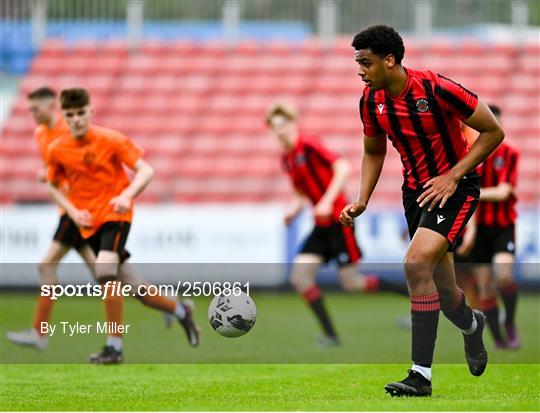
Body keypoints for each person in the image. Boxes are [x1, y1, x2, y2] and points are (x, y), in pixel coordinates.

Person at [339, 25, 505, 396]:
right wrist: (363, 199)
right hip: (416, 194)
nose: (360, 71)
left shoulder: (435, 88)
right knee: (446, 295)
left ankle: (420, 376)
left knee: (414, 264)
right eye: (357, 63)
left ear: (390, 60)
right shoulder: (371, 101)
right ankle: (471, 326)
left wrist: (452, 175)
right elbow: (373, 151)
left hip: (456, 187)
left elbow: (494, 131)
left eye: (365, 63)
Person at [46, 88, 200, 363]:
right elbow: (53, 185)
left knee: (104, 270)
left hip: (116, 215)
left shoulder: (111, 139)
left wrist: (126, 195)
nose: (77, 119)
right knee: (134, 287)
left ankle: (114, 347)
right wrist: (72, 210)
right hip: (88, 223)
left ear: (91, 112)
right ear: (64, 117)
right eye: (70, 115)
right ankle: (180, 311)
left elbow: (146, 170)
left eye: (81, 113)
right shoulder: (57, 149)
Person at [266, 102, 408, 346]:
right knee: (300, 278)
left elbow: (342, 168)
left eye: (284, 125)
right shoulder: (287, 159)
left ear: (293, 124)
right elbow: (301, 192)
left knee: (352, 283)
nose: (280, 131)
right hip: (321, 225)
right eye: (275, 127)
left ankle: (417, 297)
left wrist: (326, 201)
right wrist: (294, 210)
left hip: (340, 220)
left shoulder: (309, 145)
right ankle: (331, 336)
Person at [6, 87, 97, 350]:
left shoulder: (68, 130)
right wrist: (47, 172)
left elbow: (81, 166)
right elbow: (55, 169)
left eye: (35, 109)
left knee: (46, 266)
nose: (32, 114)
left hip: (77, 208)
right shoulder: (40, 133)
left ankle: (39, 332)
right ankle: (170, 304)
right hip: (67, 209)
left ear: (50, 107)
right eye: (30, 110)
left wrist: (49, 175)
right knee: (105, 275)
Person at [458, 104, 520, 349]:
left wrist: (475, 193)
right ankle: (498, 340)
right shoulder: (472, 155)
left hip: (503, 226)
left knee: (503, 276)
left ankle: (510, 323)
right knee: (485, 286)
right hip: (481, 229)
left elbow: (505, 192)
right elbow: (472, 203)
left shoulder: (509, 153)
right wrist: (471, 231)